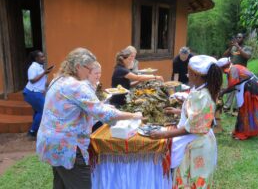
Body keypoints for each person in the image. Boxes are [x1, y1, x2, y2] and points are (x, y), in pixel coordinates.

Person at [36, 47, 143, 189]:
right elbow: (104, 114)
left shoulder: (59, 80)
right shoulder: (76, 86)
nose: (90, 73)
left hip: (50, 143)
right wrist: (133, 115)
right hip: (68, 146)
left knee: (61, 184)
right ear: (78, 66)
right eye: (89, 69)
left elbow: (88, 107)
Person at [151, 55, 223, 189]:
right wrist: (178, 111)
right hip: (201, 140)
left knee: (191, 182)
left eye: (188, 72)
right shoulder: (203, 89)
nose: (187, 75)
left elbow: (191, 128)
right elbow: (199, 114)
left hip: (196, 145)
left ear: (196, 74)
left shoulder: (201, 95)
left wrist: (164, 135)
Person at [217, 57, 258, 140]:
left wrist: (222, 92)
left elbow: (232, 86)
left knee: (247, 111)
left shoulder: (233, 70)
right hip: (252, 87)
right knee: (248, 111)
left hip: (251, 89)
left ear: (223, 67)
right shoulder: (235, 67)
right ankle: (246, 131)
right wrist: (223, 91)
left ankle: (244, 133)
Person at [23, 50, 53, 138]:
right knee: (43, 111)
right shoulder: (33, 67)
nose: (44, 58)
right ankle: (32, 132)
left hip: (36, 92)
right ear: (36, 58)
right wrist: (44, 73)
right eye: (41, 57)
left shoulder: (39, 66)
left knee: (38, 111)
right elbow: (32, 80)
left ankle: (35, 130)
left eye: (44, 56)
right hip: (32, 92)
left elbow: (40, 81)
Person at [223, 33, 252, 115]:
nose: (238, 38)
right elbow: (224, 55)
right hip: (232, 71)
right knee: (230, 88)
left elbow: (247, 56)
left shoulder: (247, 48)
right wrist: (230, 47)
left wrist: (238, 47)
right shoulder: (233, 48)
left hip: (242, 72)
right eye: (237, 37)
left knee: (239, 89)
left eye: (240, 37)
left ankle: (236, 109)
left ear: (243, 39)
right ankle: (226, 107)